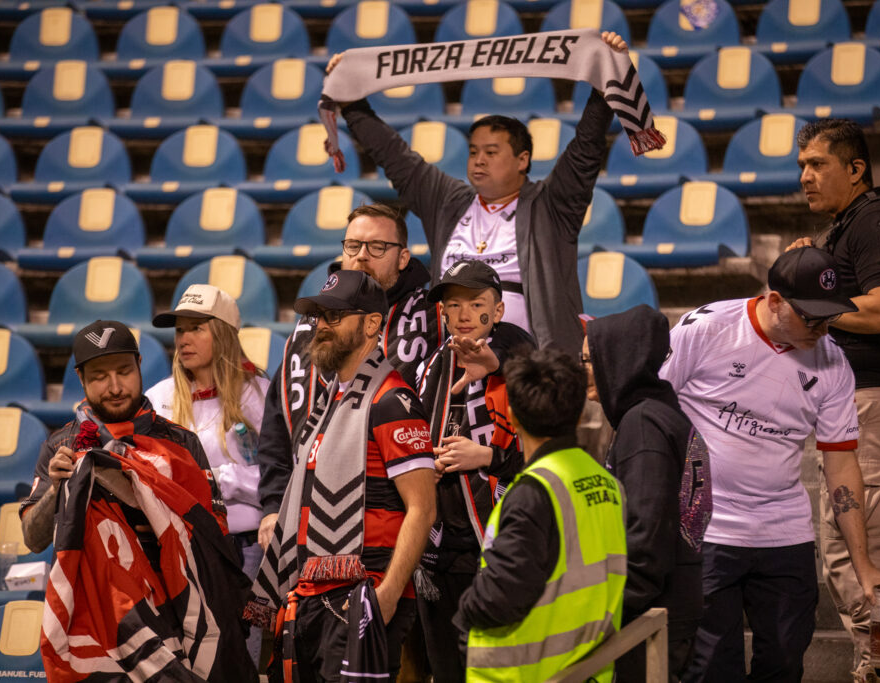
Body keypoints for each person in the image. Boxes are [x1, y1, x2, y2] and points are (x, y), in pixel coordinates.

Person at [660, 248, 880, 682]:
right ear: (774, 301)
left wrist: (863, 565)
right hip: (708, 532)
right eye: (810, 317)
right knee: (710, 670)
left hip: (784, 534)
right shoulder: (705, 330)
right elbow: (652, 413)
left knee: (783, 665)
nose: (821, 329)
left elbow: (841, 463)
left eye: (828, 317)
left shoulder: (833, 363)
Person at [329, 31, 630, 356]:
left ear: (522, 160)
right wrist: (351, 104)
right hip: (451, 358)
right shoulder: (447, 201)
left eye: (491, 151)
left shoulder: (551, 205)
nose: (479, 160)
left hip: (534, 368)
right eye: (473, 152)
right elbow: (395, 157)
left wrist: (604, 82)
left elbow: (586, 149)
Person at [20, 320, 255, 680]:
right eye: (99, 376)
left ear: (140, 365)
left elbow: (213, 540)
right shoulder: (62, 447)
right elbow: (32, 538)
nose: (115, 387)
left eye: (124, 371)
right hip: (101, 625)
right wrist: (57, 489)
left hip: (178, 616)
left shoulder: (181, 442)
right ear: (80, 378)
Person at [789, 118, 880, 680]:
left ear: (856, 169)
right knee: (846, 555)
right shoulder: (849, 225)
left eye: (818, 163)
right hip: (856, 406)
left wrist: (809, 301)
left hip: (874, 405)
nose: (805, 176)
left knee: (862, 558)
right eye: (802, 164)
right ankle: (875, 670)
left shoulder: (877, 221)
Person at [248, 270, 437, 682]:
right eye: (318, 317)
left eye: (334, 316)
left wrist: (386, 595)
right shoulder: (327, 405)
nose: (321, 326)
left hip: (364, 595)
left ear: (372, 324)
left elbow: (422, 508)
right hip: (313, 595)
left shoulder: (394, 401)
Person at [257, 203, 443, 551]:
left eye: (377, 247)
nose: (362, 257)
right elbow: (278, 424)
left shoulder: (435, 316)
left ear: (403, 258)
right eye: (353, 246)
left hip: (392, 516)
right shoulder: (309, 326)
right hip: (306, 513)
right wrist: (271, 506)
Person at [456, 347, 627, 682]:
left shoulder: (536, 493)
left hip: (525, 673)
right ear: (579, 414)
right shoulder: (607, 482)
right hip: (589, 668)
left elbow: (499, 599)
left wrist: (464, 614)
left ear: (514, 417)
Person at [412, 259, 533, 682]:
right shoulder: (431, 365)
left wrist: (486, 457)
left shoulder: (519, 360)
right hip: (438, 545)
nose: (463, 314)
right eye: (453, 304)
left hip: (497, 543)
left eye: (475, 303)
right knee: (444, 667)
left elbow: (544, 452)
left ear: (497, 311)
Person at [583, 305, 712, 682]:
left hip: (651, 615)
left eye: (590, 358)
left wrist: (607, 615)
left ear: (619, 358)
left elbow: (646, 537)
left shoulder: (643, 424)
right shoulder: (661, 413)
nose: (584, 368)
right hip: (671, 602)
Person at [145, 283, 270, 666]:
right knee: (189, 657)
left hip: (246, 547)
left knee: (244, 653)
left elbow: (283, 476)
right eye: (180, 330)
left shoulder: (261, 395)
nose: (184, 339)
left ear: (224, 335)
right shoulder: (157, 399)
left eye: (197, 328)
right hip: (182, 546)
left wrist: (215, 479)